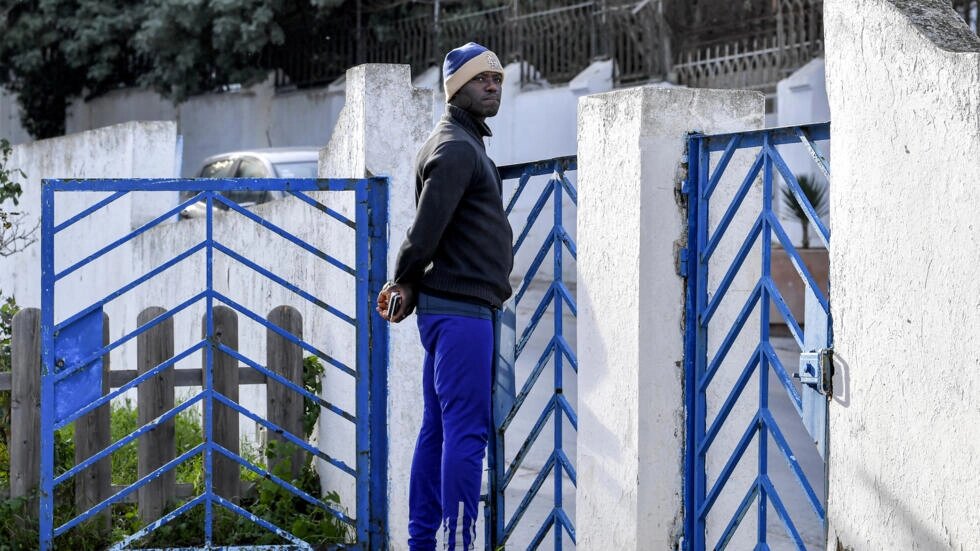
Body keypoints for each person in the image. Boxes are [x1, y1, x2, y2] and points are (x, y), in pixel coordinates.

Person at [376, 42, 512, 551]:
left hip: (456, 309)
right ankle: (456, 543)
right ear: (457, 87)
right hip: (460, 312)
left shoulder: (463, 143)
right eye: (482, 79)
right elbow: (425, 229)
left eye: (498, 79)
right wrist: (403, 278)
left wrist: (409, 283)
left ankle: (422, 543)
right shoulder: (456, 147)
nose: (493, 86)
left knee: (437, 431)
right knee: (465, 435)